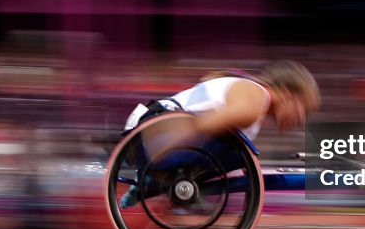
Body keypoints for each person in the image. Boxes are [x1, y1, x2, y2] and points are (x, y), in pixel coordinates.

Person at [118, 60, 320, 208]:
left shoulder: (253, 97)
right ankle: (153, 177)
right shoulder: (256, 98)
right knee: (237, 152)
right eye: (303, 108)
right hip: (155, 133)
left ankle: (152, 180)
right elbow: (205, 125)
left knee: (235, 153)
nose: (301, 120)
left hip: (151, 131)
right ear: (285, 93)